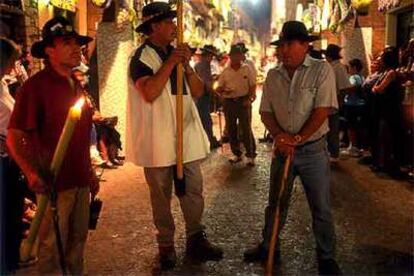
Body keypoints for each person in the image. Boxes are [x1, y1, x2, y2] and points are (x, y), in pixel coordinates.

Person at [126, 2, 223, 270]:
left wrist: (187, 66)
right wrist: (170, 62)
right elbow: (150, 92)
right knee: (161, 195)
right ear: (154, 26)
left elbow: (198, 91)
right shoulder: (140, 58)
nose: (175, 27)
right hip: (157, 139)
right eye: (170, 22)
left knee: (193, 190)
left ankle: (195, 237)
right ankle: (165, 245)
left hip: (185, 136)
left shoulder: (177, 55)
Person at [244, 21, 341, 275]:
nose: (284, 50)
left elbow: (322, 111)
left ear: (305, 45)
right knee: (276, 202)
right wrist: (279, 136)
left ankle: (327, 257)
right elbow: (265, 111)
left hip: (312, 151)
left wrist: (296, 140)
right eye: (282, 45)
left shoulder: (322, 70)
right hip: (283, 150)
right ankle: (269, 246)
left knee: (320, 206)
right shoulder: (274, 75)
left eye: (290, 44)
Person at [6, 16, 99, 274]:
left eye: (77, 43)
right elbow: (14, 135)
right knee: (51, 249)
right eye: (67, 42)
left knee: (77, 245)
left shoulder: (75, 84)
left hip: (80, 180)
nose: (76, 48)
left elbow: (79, 138)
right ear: (49, 50)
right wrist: (32, 173)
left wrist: (89, 172)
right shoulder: (35, 88)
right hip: (54, 184)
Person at [0, 37, 25, 274]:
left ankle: (10, 264)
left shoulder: (4, 84)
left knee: (11, 218)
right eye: (11, 61)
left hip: (11, 159)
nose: (13, 67)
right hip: (2, 159)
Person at [216, 45, 257, 166]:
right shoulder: (225, 71)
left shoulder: (247, 69)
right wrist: (223, 92)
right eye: (233, 55)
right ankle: (236, 154)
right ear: (230, 57)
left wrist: (249, 99)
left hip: (243, 101)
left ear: (241, 56)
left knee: (246, 129)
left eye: (238, 55)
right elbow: (219, 87)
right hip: (229, 102)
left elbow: (252, 86)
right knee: (231, 129)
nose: (236, 58)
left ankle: (251, 155)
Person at [323, 44, 352, 162]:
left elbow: (345, 88)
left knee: (333, 130)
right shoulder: (329, 67)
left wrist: (339, 103)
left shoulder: (338, 68)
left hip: (333, 104)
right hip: (326, 104)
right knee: (327, 129)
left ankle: (334, 154)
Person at [194, 45, 221, 149]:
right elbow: (205, 82)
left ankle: (208, 139)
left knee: (204, 118)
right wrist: (214, 91)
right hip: (202, 95)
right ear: (207, 55)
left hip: (202, 94)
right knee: (205, 119)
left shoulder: (203, 65)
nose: (212, 58)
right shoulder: (203, 65)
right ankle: (209, 140)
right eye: (211, 56)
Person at [342, 58, 365, 157]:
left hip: (352, 104)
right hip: (360, 105)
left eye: (350, 67)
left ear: (354, 67)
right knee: (355, 126)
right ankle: (355, 146)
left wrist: (342, 91)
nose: (348, 69)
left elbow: (350, 88)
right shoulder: (362, 77)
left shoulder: (354, 77)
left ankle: (353, 148)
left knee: (351, 127)